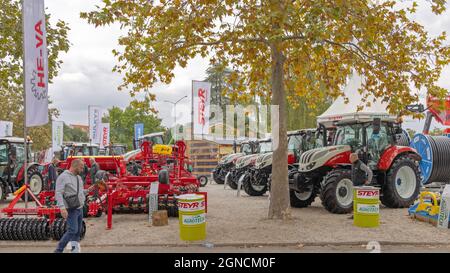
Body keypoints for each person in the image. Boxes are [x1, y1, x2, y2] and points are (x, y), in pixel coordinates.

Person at [54, 159, 94, 253]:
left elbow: (79, 192)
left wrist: (87, 191)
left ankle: (74, 250)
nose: (82, 169)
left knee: (77, 231)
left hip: (80, 208)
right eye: (81, 167)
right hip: (71, 209)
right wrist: (62, 208)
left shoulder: (78, 178)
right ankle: (58, 250)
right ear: (75, 166)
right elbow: (58, 193)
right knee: (72, 230)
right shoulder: (63, 177)